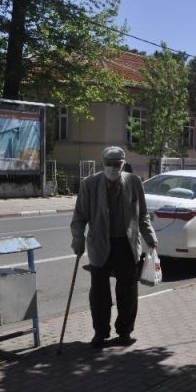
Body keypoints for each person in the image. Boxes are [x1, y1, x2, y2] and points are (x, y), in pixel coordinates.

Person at [70, 146, 157, 348]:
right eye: (108, 164)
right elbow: (79, 217)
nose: (112, 167)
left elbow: (142, 214)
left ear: (123, 164)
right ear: (102, 163)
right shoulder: (90, 184)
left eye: (116, 164)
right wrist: (78, 239)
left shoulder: (134, 182)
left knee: (128, 291)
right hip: (100, 244)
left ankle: (125, 331)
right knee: (99, 293)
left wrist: (150, 236)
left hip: (127, 244)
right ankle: (100, 333)